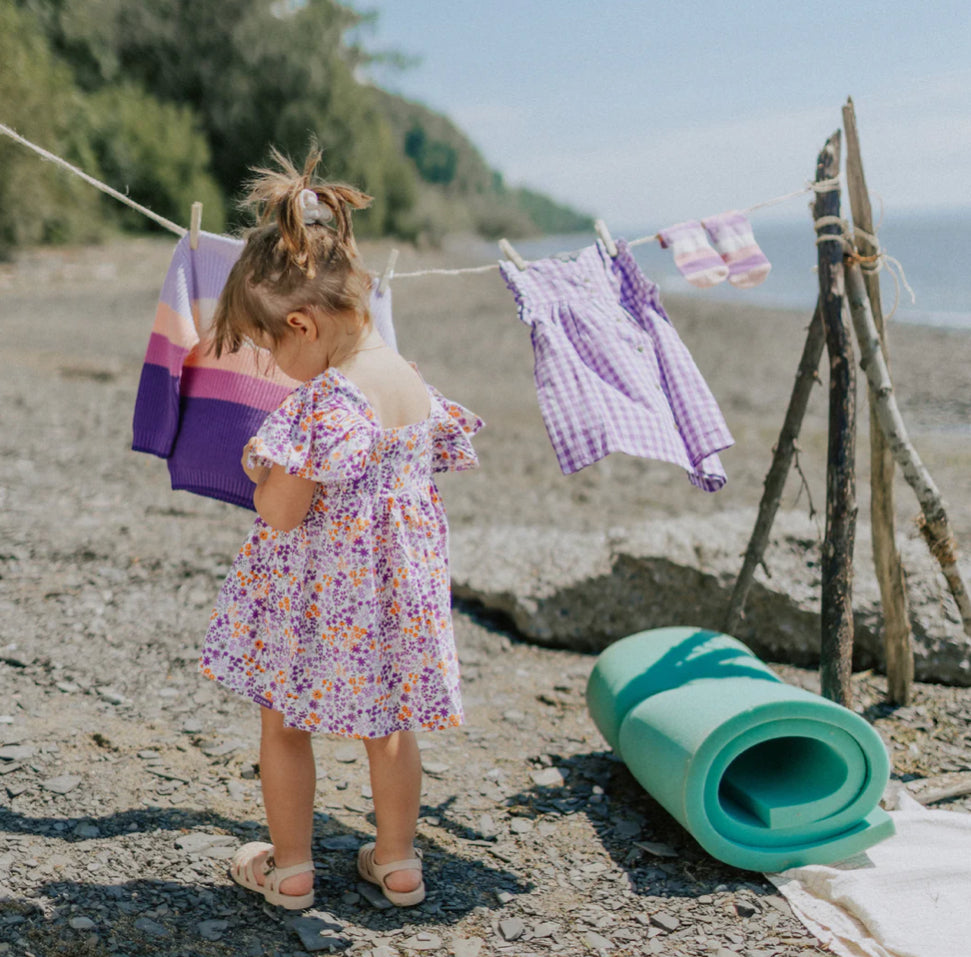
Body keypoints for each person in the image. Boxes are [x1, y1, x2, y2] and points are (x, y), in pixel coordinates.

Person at [199, 148, 483, 910]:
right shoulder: (413, 382)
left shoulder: (325, 401)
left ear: (300, 322)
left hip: (317, 604)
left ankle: (289, 867)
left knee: (283, 721)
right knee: (388, 724)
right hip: (395, 604)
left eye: (271, 349)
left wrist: (263, 472)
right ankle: (396, 860)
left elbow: (284, 512)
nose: (274, 366)